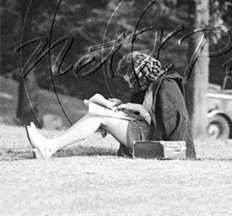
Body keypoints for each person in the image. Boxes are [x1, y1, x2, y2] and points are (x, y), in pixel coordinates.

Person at [25, 51, 197, 159]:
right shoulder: (148, 85)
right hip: (142, 130)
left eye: (130, 80)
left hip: (153, 139)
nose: (130, 86)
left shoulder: (167, 85)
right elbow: (146, 113)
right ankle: (47, 148)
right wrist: (121, 106)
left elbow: (167, 128)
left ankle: (49, 147)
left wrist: (138, 109)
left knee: (100, 116)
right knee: (98, 111)